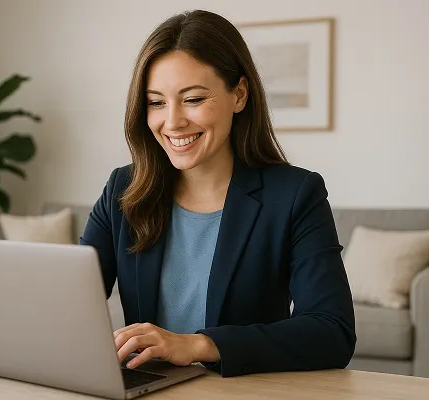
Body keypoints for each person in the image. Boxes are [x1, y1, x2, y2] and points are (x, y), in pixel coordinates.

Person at [79, 9, 356, 378]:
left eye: (193, 99)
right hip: (148, 390)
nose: (173, 122)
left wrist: (198, 344)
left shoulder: (294, 195)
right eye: (157, 102)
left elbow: (332, 331)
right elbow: (70, 304)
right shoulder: (123, 190)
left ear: (238, 95)